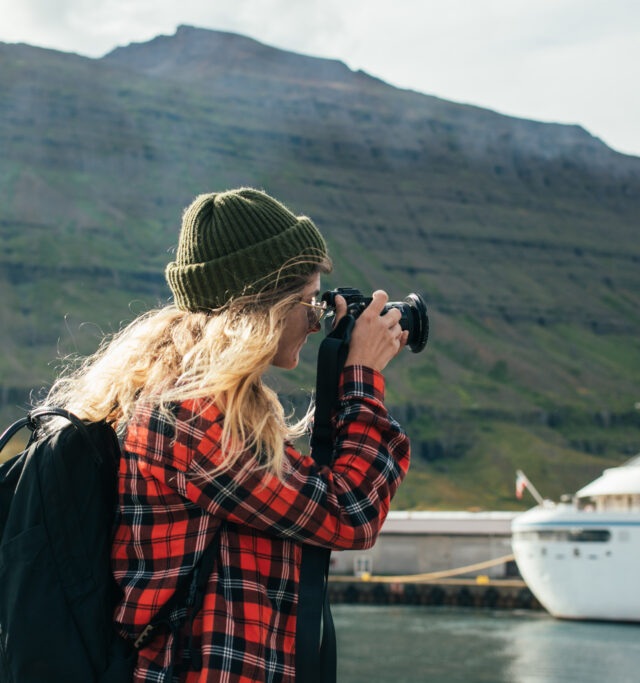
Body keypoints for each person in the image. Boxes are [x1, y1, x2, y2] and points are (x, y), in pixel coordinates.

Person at [43, 188, 410, 682]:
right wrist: (362, 376)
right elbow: (351, 513)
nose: (316, 322)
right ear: (266, 305)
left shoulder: (184, 404)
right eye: (310, 303)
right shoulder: (190, 420)